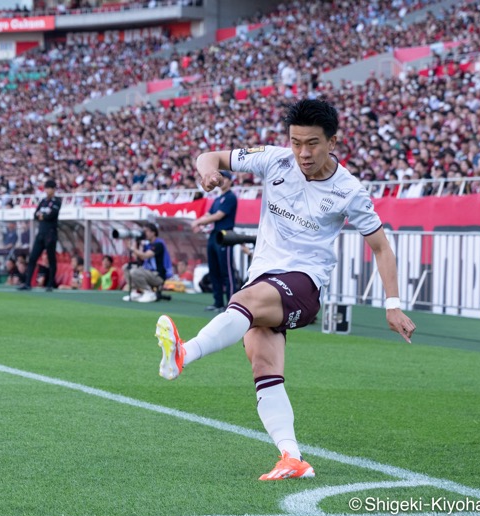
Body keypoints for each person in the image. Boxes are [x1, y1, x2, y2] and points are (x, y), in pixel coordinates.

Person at [155, 99, 417, 481]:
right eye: (296, 142)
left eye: (312, 143)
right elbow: (209, 156)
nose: (303, 153)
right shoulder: (274, 159)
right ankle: (292, 458)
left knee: (243, 302)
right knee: (264, 366)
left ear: (333, 141)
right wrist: (208, 174)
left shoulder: (349, 190)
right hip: (263, 277)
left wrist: (393, 306)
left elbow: (380, 246)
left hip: (303, 283)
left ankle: (184, 353)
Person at [191, 170, 238, 311]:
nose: (221, 180)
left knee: (227, 271)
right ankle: (217, 302)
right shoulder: (218, 199)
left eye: (224, 178)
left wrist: (199, 222)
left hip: (225, 236)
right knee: (214, 270)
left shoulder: (230, 197)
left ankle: (231, 304)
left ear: (230, 181)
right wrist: (202, 222)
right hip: (214, 235)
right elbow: (209, 213)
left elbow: (218, 216)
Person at [18, 179, 61, 291]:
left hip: (50, 234)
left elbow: (51, 215)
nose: (47, 190)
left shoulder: (57, 201)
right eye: (46, 188)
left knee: (51, 259)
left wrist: (43, 216)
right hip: (41, 233)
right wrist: (43, 215)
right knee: (33, 258)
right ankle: (28, 283)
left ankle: (50, 284)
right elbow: (35, 215)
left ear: (53, 189)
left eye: (49, 188)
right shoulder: (43, 201)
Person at [122, 223, 173, 303]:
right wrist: (135, 243)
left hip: (157, 276)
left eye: (146, 231)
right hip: (148, 273)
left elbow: (145, 256)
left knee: (135, 272)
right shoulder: (147, 245)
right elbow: (138, 258)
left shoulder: (159, 244)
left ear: (153, 233)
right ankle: (135, 292)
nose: (144, 233)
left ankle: (148, 292)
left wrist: (132, 248)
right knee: (127, 267)